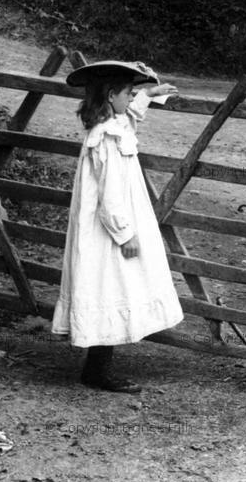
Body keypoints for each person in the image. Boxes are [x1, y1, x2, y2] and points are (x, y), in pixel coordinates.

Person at [52, 60, 184, 393]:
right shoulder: (108, 138)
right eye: (129, 92)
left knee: (107, 287)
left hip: (106, 225)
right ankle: (98, 372)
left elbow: (128, 116)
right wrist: (125, 234)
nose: (132, 97)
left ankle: (96, 368)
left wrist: (148, 95)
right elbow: (109, 197)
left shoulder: (110, 124)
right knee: (108, 286)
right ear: (112, 95)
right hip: (108, 227)